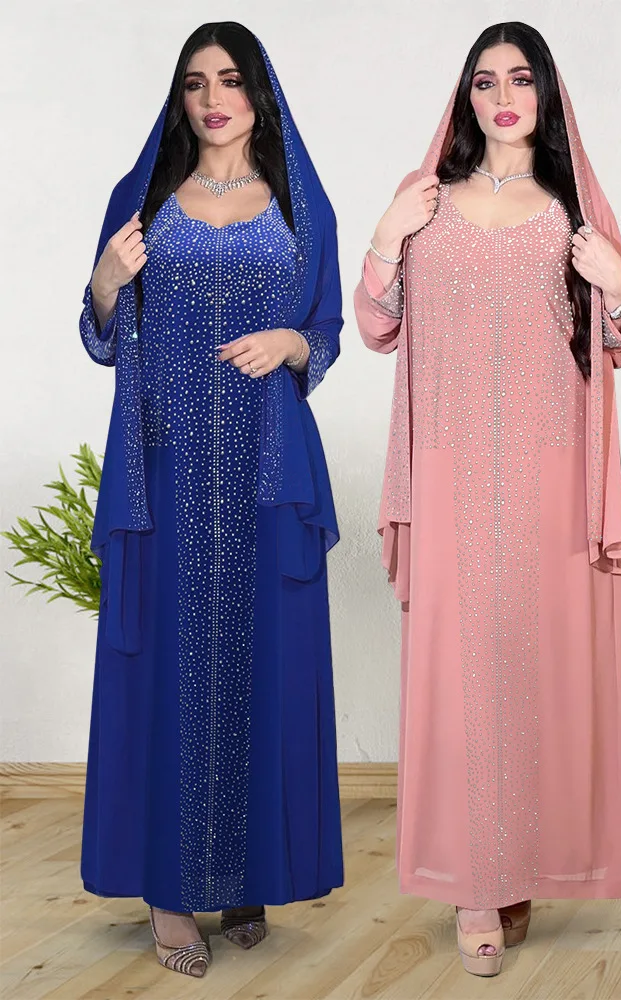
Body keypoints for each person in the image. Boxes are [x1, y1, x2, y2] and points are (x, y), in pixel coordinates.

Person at [354, 21, 621, 978]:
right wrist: (384, 243)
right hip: (447, 470)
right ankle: (475, 884)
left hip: (547, 470)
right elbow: (378, 329)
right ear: (466, 97)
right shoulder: (424, 200)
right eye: (486, 81)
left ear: (546, 94)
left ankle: (523, 866)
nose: (504, 96)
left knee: (533, 668)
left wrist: (620, 286)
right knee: (462, 672)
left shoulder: (571, 207)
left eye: (521, 79)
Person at [79, 22, 344, 978]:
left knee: (262, 661)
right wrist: (106, 283)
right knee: (172, 668)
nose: (212, 99)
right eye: (195, 83)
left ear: (258, 94)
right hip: (169, 466)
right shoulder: (143, 199)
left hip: (268, 471)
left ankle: (247, 872)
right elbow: (100, 334)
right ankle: (167, 892)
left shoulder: (300, 203)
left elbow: (327, 328)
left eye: (230, 80)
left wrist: (294, 344)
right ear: (180, 98)